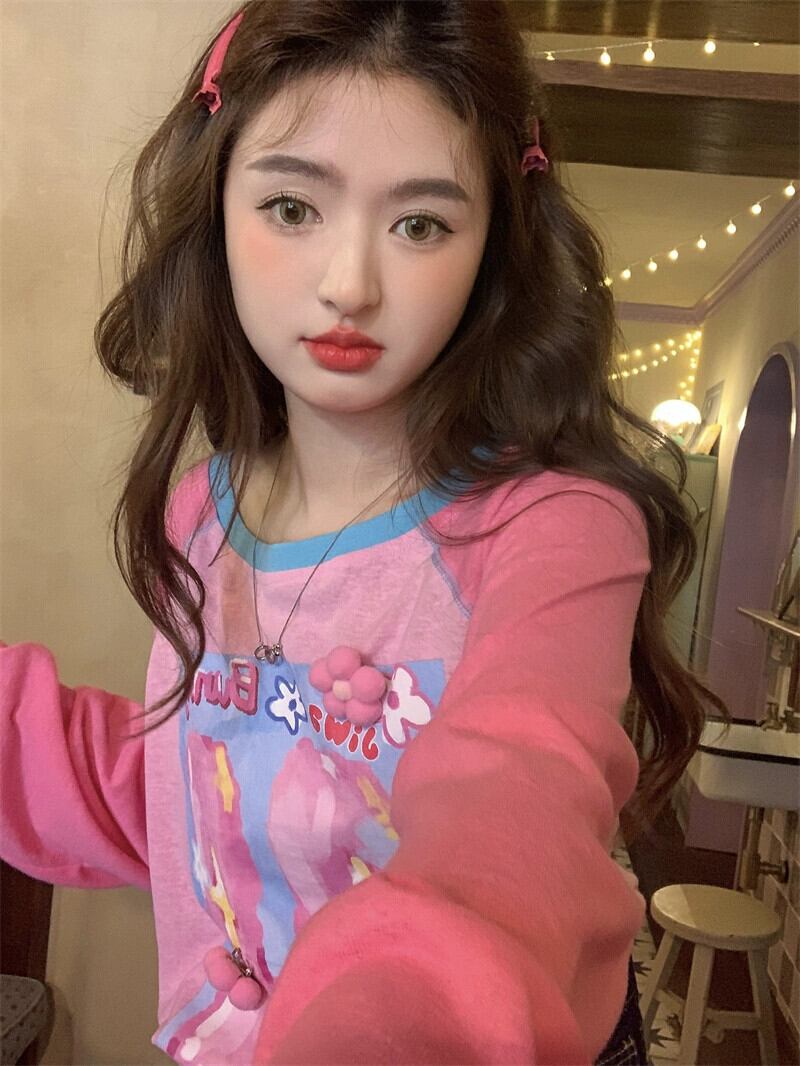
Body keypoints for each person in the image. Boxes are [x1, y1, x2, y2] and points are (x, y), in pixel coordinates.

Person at [1, 2, 731, 1063]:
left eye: (420, 224)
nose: (350, 283)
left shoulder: (559, 529)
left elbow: (516, 800)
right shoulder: (199, 516)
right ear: (216, 206)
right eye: (292, 206)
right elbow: (198, 795)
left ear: (494, 247)